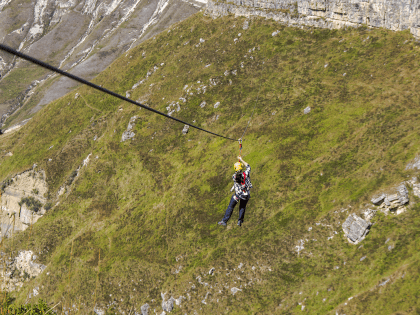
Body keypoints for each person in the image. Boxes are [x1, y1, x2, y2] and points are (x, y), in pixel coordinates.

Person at [218, 156, 252, 227]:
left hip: (237, 195)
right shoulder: (246, 173)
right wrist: (241, 159)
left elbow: (237, 174)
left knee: (231, 207)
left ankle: (224, 221)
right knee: (242, 207)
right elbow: (248, 166)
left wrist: (238, 164)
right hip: (245, 195)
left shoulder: (234, 177)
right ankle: (240, 221)